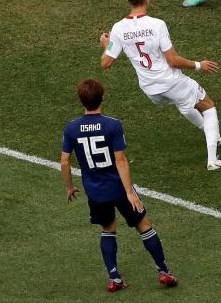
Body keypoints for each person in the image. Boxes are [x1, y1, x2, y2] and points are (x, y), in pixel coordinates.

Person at [61, 78, 178, 293]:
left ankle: (114, 278)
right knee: (143, 224)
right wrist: (129, 192)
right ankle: (164, 271)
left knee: (108, 229)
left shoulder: (71, 128)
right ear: (102, 98)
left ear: (81, 101)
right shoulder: (112, 124)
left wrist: (69, 187)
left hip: (95, 191)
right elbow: (120, 160)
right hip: (118, 187)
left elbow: (65, 161)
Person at [101, 0, 221, 170]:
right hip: (170, 81)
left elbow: (106, 62)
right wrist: (200, 65)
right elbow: (173, 60)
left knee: (184, 103)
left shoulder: (118, 28)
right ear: (147, 0)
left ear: (128, 1)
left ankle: (213, 135)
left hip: (150, 90)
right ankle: (212, 159)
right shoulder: (157, 25)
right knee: (208, 106)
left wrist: (109, 44)